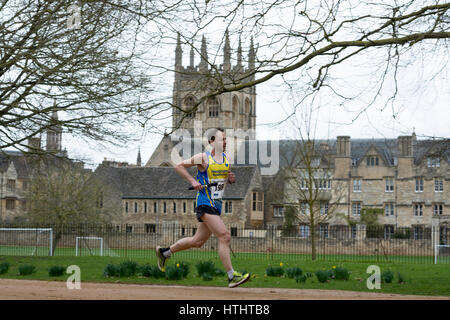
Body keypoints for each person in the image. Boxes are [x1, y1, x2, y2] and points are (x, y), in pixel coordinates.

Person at [155, 128, 250, 288]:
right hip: (205, 203)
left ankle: (165, 252)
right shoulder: (203, 158)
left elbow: (221, 180)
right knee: (225, 236)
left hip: (217, 205)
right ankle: (231, 275)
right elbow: (179, 166)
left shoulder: (226, 159)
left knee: (197, 241)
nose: (225, 142)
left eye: (226, 139)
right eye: (222, 139)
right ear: (212, 142)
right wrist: (193, 181)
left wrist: (230, 179)